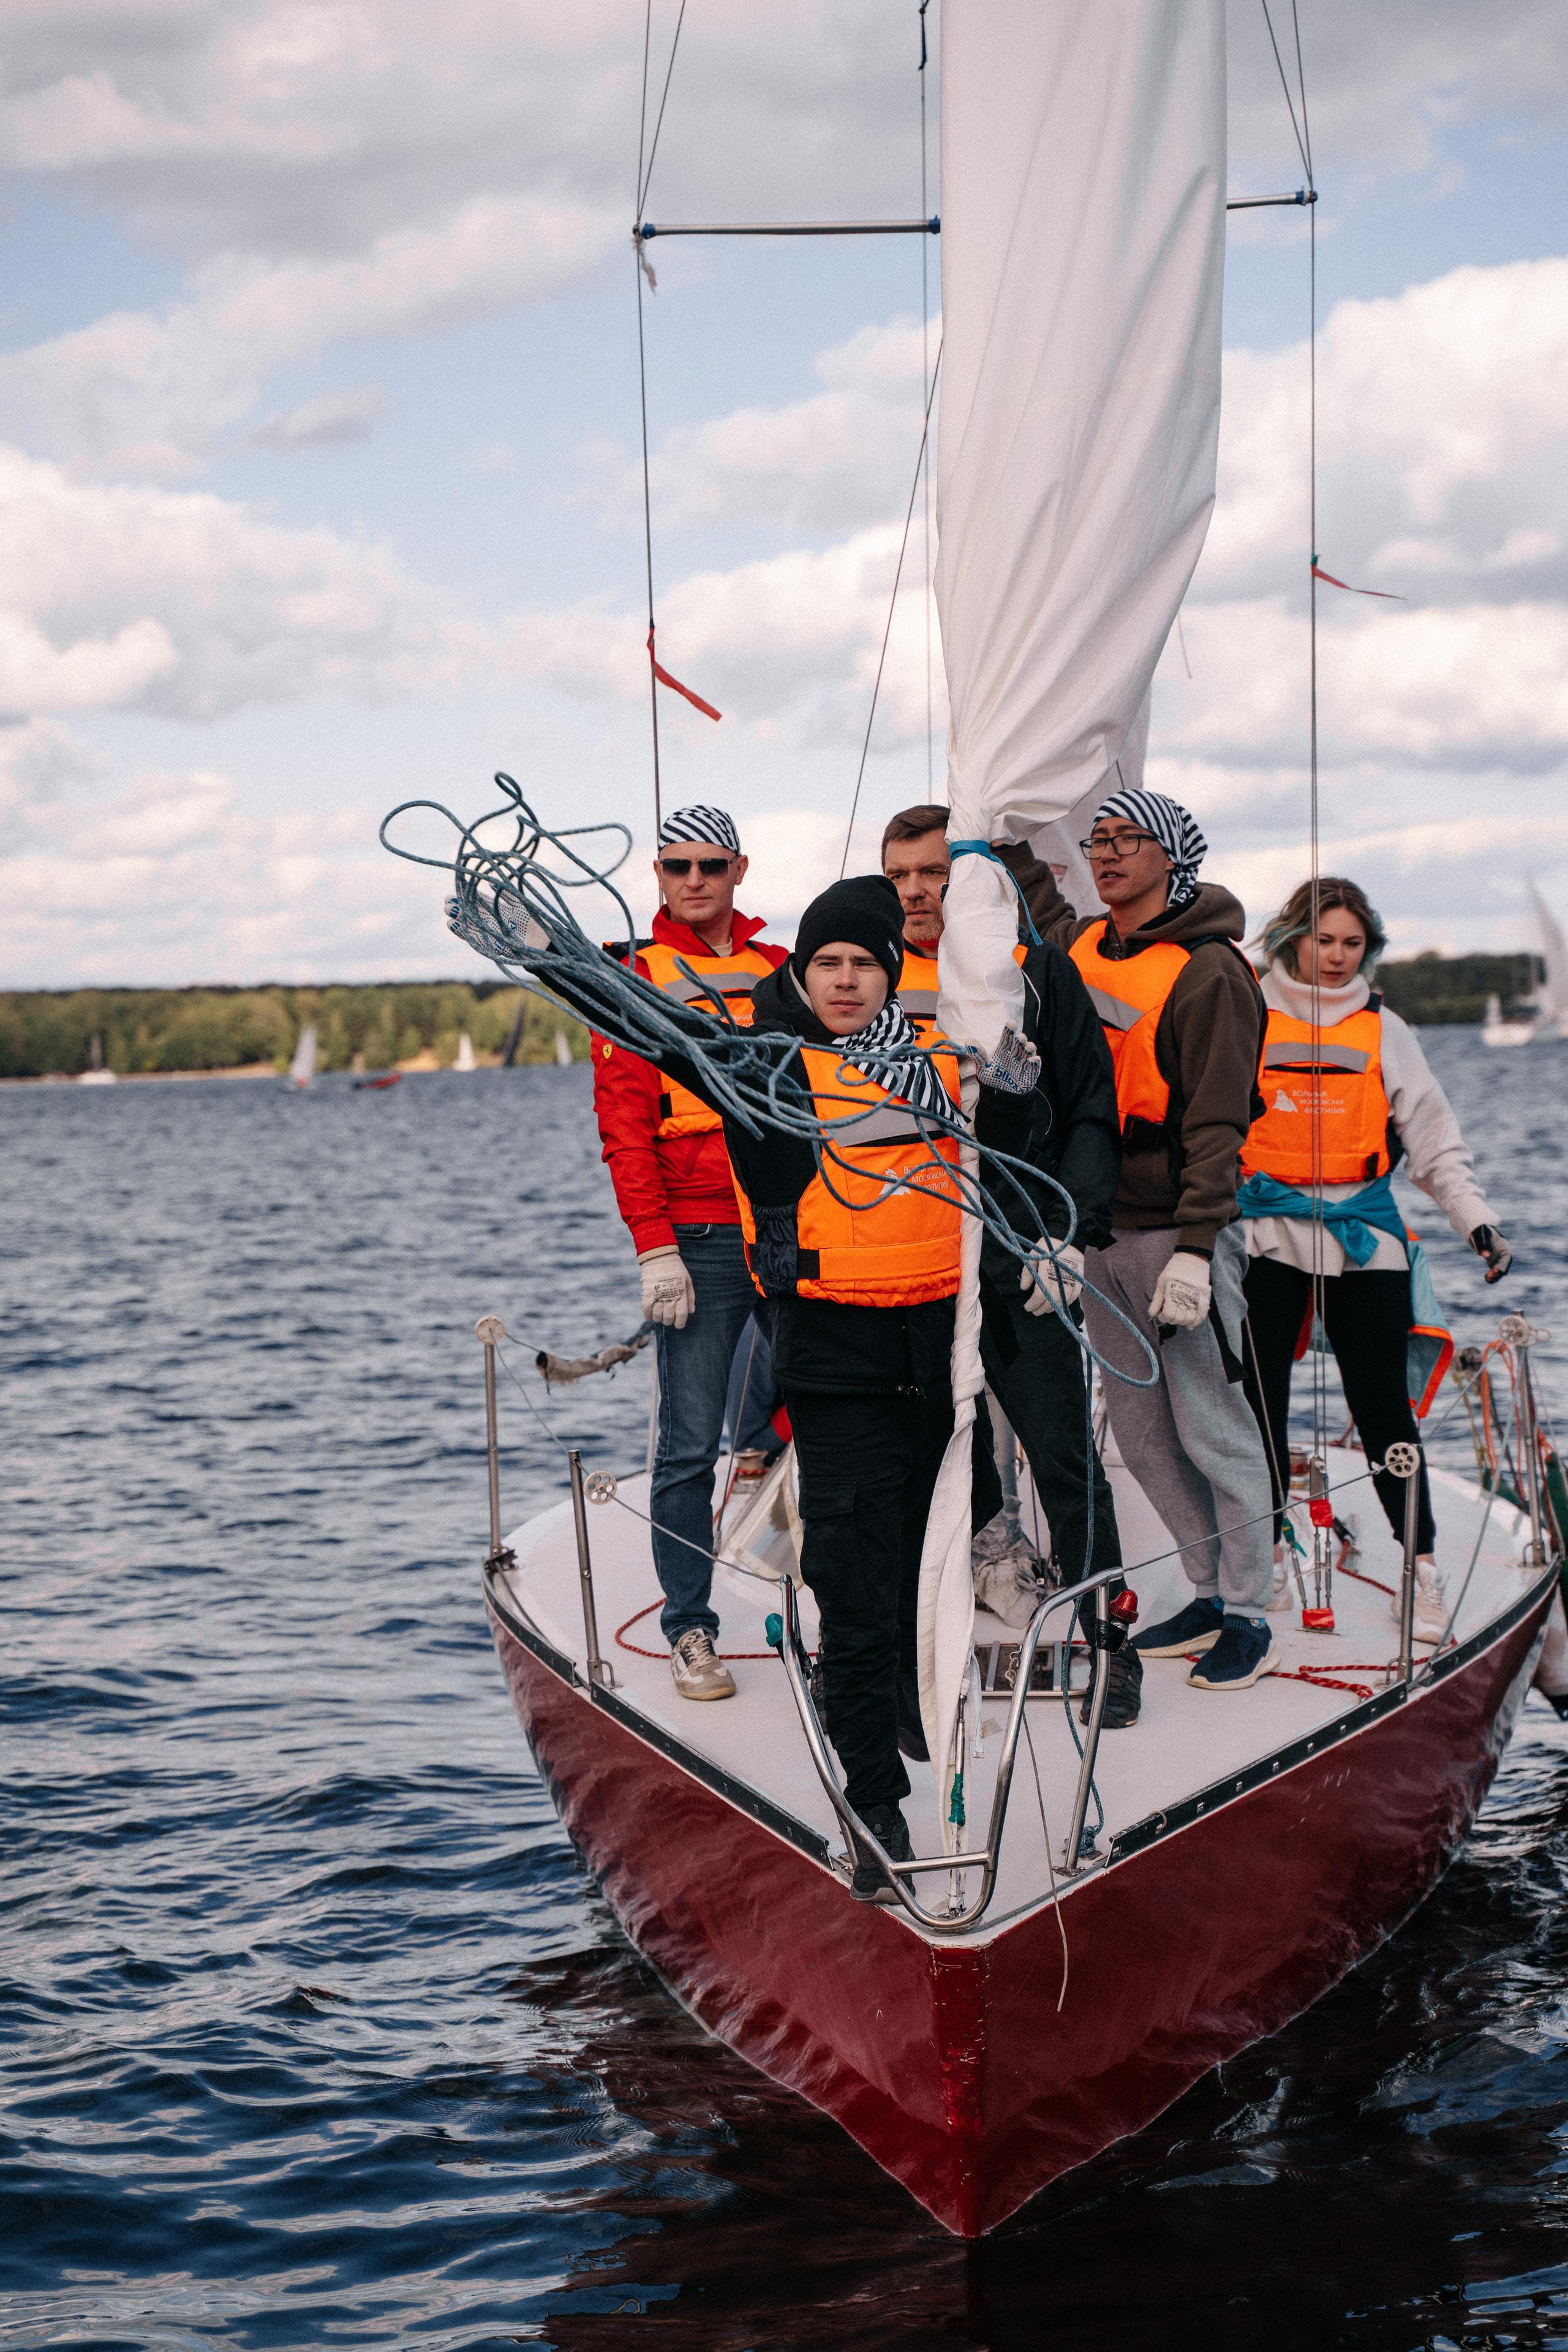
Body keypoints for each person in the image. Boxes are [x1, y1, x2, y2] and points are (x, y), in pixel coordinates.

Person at [1000, 787, 1279, 1694]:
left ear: (1173, 857)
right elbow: (1039, 900)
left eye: (1129, 840)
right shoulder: (1080, 946)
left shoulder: (1210, 974)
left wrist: (1200, 1250)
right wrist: (993, 834)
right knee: (1145, 1435)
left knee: (1213, 1427)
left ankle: (1250, 1612)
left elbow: (1217, 1125)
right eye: (1099, 840)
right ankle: (1207, 1589)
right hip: (1098, 1229)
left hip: (1177, 1236)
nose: (1109, 853)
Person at [880, 805, 1139, 1725]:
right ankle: (932, 1614)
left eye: (936, 873)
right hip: (904, 1268)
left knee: (1065, 1454)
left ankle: (1111, 1636)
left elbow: (1092, 1117)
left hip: (1022, 1260)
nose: (918, 891)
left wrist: (1070, 1237)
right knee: (910, 1455)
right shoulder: (859, 976)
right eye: (902, 874)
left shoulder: (1041, 977)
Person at [1237, 875, 1513, 1637]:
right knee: (1257, 1402)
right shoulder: (1249, 1011)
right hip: (1266, 1232)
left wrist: (1477, 1225)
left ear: (1369, 948)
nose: (1334, 956)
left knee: (1382, 1408)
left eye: (1351, 943)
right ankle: (1259, 1558)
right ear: (1293, 938)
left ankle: (1418, 1566)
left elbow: (1431, 1143)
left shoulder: (1385, 1029)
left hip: (1364, 1235)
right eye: (1322, 940)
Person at [591, 805, 786, 1703]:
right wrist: (652, 1249)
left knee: (834, 1420)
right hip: (701, 1241)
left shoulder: (787, 972)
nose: (695, 880)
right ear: (660, 877)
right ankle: (691, 1629)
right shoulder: (631, 984)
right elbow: (625, 1127)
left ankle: (843, 1609)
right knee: (685, 1445)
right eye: (677, 867)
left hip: (788, 1230)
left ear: (740, 869)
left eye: (711, 864)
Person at [882, 804, 953, 1044]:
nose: (912, 892)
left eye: (932, 872)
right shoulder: (858, 969)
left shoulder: (1033, 965)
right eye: (898, 876)